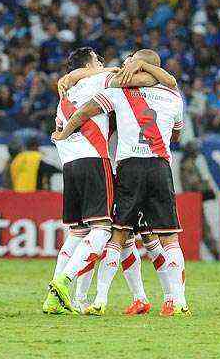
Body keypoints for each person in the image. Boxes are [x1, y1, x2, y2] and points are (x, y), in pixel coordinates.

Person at [52, 49, 190, 317]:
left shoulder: (118, 90)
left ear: (138, 65)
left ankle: (100, 299)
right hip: (160, 166)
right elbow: (176, 134)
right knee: (165, 238)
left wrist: (63, 132)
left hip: (128, 168)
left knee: (119, 235)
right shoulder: (174, 97)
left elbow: (82, 113)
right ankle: (176, 301)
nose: (124, 62)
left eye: (131, 59)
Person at [179, 140, 219, 259]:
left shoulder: (190, 164)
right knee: (203, 230)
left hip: (193, 202)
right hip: (192, 203)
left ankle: (215, 253)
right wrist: (206, 186)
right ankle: (216, 254)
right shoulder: (188, 165)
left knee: (201, 230)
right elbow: (193, 185)